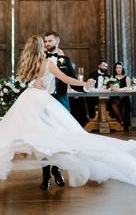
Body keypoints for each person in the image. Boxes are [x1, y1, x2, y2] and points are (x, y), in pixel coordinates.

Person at [0, 35, 136, 189]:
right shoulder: (41, 62)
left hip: (35, 102)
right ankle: (48, 174)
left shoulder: (38, 62)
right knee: (42, 140)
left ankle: (52, 171)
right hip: (35, 103)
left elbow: (64, 78)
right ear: (40, 47)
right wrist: (33, 83)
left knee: (49, 139)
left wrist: (83, 83)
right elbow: (48, 79)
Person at [42, 31, 89, 189]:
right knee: (43, 139)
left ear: (57, 42)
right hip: (42, 101)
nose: (47, 43)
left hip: (61, 101)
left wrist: (85, 87)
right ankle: (45, 176)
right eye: (45, 41)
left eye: (50, 41)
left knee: (61, 139)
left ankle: (56, 169)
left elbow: (73, 82)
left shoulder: (65, 60)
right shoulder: (40, 59)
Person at [107, 62, 131, 131]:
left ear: (122, 68)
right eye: (116, 68)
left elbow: (128, 88)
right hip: (115, 96)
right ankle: (121, 120)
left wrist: (119, 90)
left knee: (125, 102)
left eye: (119, 67)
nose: (118, 69)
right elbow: (109, 87)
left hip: (124, 96)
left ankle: (124, 122)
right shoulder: (112, 78)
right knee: (113, 103)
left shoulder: (127, 77)